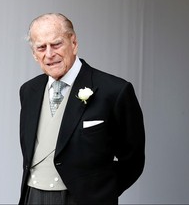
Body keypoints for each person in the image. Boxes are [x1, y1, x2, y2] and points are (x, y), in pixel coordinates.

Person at [18, 13, 145, 204]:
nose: (49, 54)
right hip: (33, 197)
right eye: (41, 47)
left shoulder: (115, 90)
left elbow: (133, 160)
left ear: (74, 42)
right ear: (34, 54)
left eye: (56, 44)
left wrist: (100, 193)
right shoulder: (29, 91)